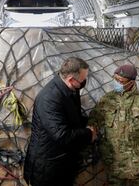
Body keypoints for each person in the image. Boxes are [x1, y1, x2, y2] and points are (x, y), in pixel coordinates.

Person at [24, 57, 97, 186]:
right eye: (82, 80)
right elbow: (62, 135)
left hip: (61, 164)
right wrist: (88, 134)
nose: (84, 82)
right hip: (48, 170)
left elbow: (73, 118)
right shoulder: (49, 98)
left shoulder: (69, 90)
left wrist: (90, 123)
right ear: (70, 79)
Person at [88, 64, 139, 185]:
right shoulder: (107, 100)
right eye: (115, 79)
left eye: (121, 81)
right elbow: (94, 120)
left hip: (137, 164)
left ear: (131, 82)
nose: (117, 83)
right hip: (113, 162)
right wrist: (91, 128)